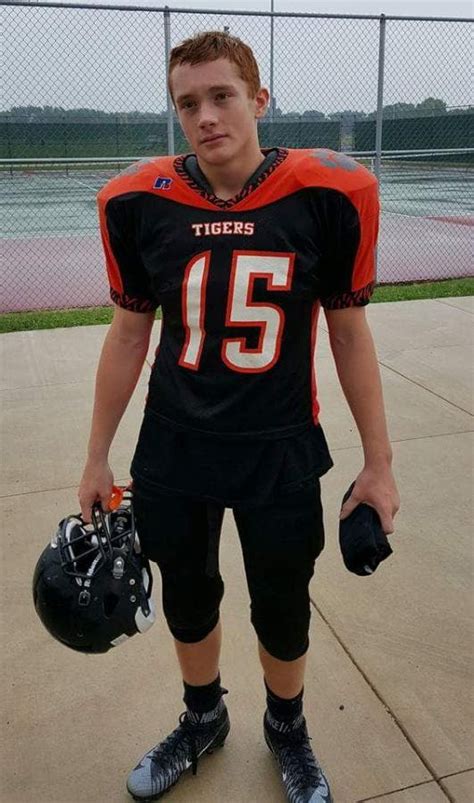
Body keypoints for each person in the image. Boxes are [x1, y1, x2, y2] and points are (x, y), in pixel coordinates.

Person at [79, 31, 399, 803]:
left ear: (259, 99)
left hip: (278, 443)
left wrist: (379, 464)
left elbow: (349, 333)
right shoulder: (139, 202)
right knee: (187, 596)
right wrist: (95, 456)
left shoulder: (326, 194)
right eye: (187, 102)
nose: (205, 116)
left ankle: (286, 728)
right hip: (174, 443)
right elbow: (128, 335)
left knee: (282, 604)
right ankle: (204, 717)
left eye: (222, 96)